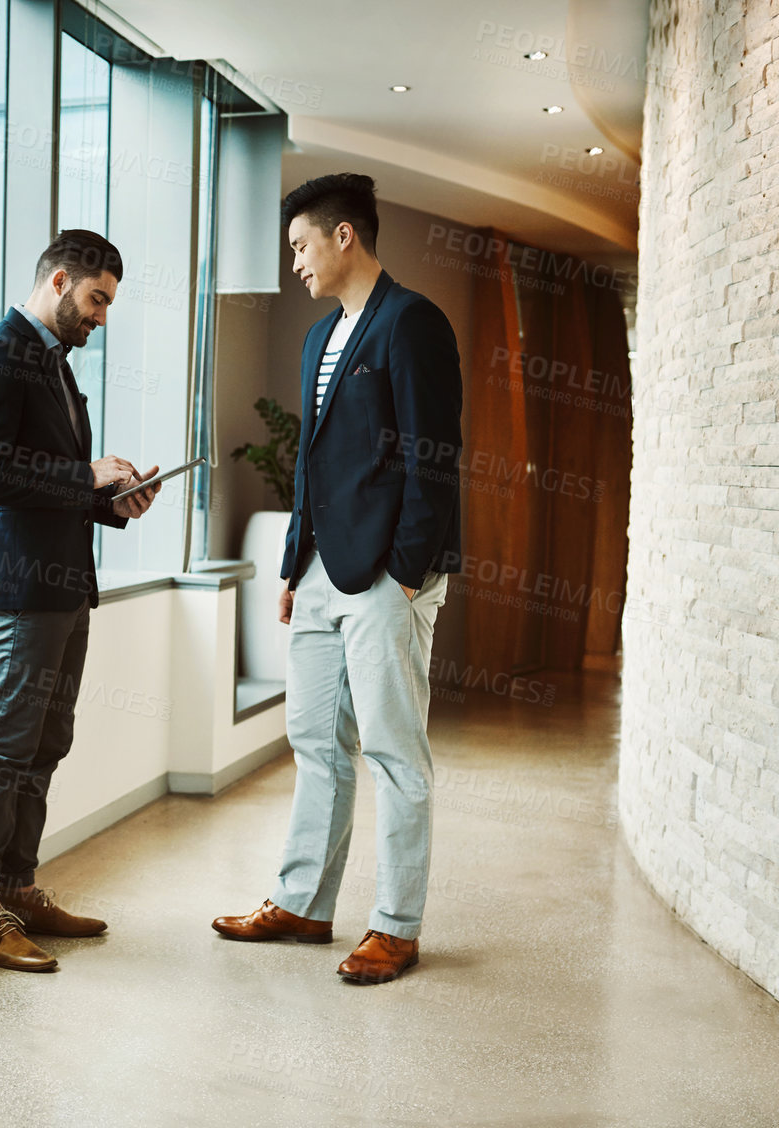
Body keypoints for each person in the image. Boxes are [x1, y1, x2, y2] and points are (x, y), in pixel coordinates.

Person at [212, 173, 463, 984]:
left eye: (299, 246)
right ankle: (303, 905)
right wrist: (294, 566)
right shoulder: (320, 338)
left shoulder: (411, 323)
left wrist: (407, 572)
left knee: (393, 751)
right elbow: (315, 464)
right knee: (314, 742)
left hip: (388, 576)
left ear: (343, 235)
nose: (294, 263)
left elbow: (434, 457)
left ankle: (395, 925)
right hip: (321, 572)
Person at [0, 229, 161, 972]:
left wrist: (114, 502)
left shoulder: (55, 367)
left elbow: (48, 483)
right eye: (97, 299)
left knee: (46, 743)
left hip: (64, 586)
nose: (101, 316)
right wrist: (87, 478)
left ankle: (21, 887)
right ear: (61, 281)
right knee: (5, 746)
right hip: (20, 588)